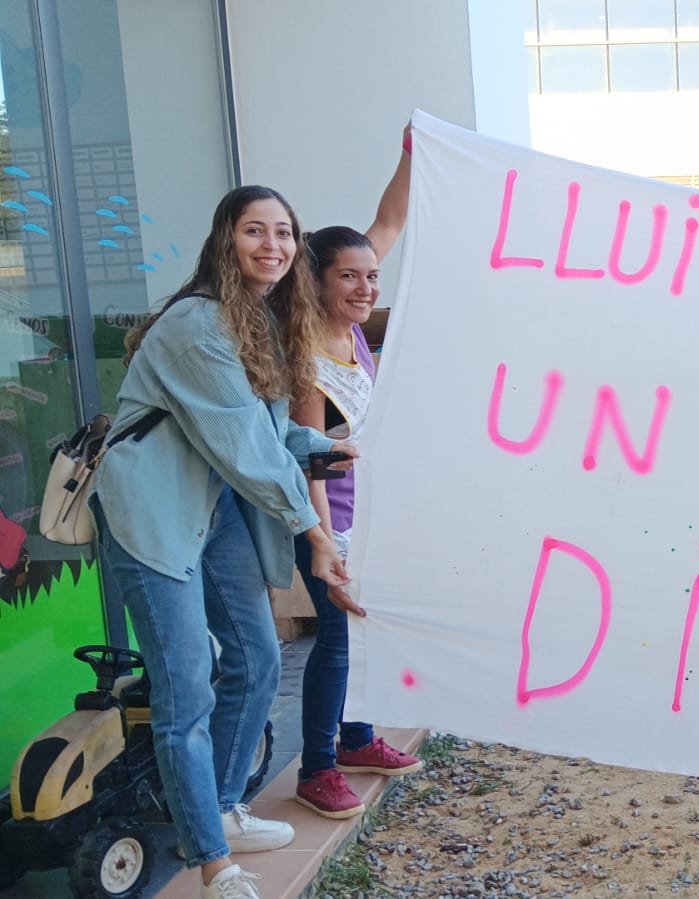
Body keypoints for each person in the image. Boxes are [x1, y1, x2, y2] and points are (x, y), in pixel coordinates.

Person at [94, 186, 357, 899]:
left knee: (257, 656)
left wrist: (329, 444)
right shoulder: (197, 324)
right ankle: (211, 860)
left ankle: (224, 807)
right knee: (187, 691)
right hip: (151, 516)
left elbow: (267, 430)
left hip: (210, 508)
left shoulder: (258, 322)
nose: (271, 244)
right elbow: (243, 443)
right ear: (224, 239)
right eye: (254, 230)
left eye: (283, 232)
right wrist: (314, 532)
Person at [290, 134, 420, 819]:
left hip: (361, 516)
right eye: (350, 276)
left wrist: (410, 150)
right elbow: (308, 457)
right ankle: (317, 763)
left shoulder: (353, 329)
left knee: (362, 632)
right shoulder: (309, 350)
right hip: (327, 520)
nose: (367, 286)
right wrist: (326, 541)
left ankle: (359, 735)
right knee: (337, 638)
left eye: (371, 276)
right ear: (316, 280)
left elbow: (390, 220)